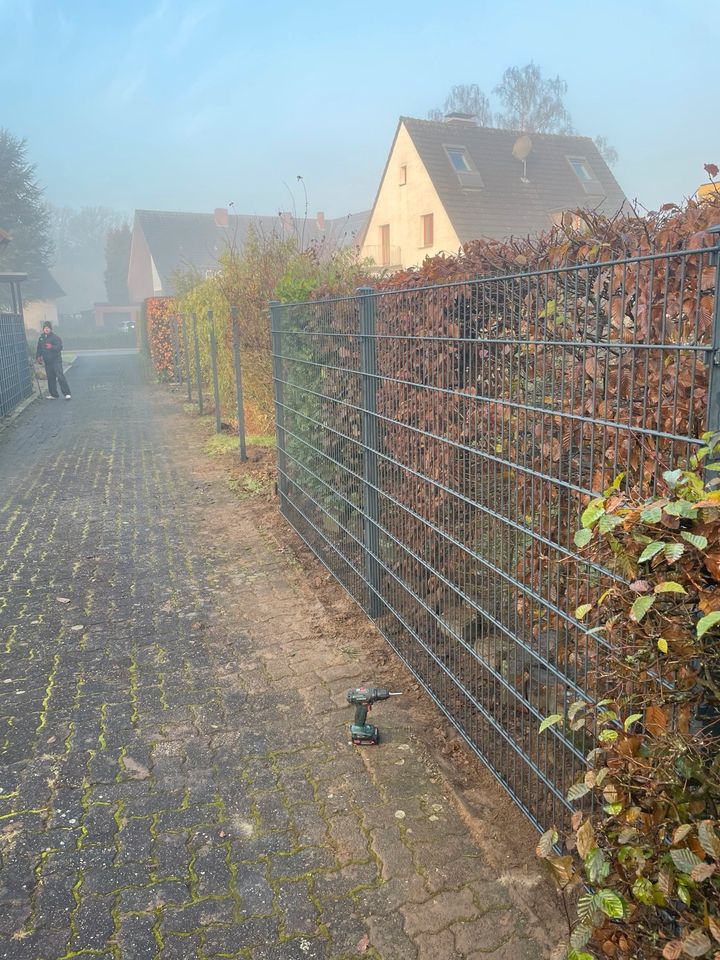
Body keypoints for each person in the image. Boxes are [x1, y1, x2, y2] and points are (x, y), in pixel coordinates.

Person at [36, 321, 71, 400]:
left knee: (60, 376)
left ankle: (67, 393)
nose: (46, 329)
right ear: (43, 329)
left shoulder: (55, 337)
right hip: (47, 361)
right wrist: (38, 356)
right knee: (50, 377)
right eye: (45, 328)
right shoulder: (41, 338)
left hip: (56, 360)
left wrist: (52, 346)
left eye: (48, 328)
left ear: (50, 329)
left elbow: (60, 347)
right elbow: (39, 348)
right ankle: (54, 394)